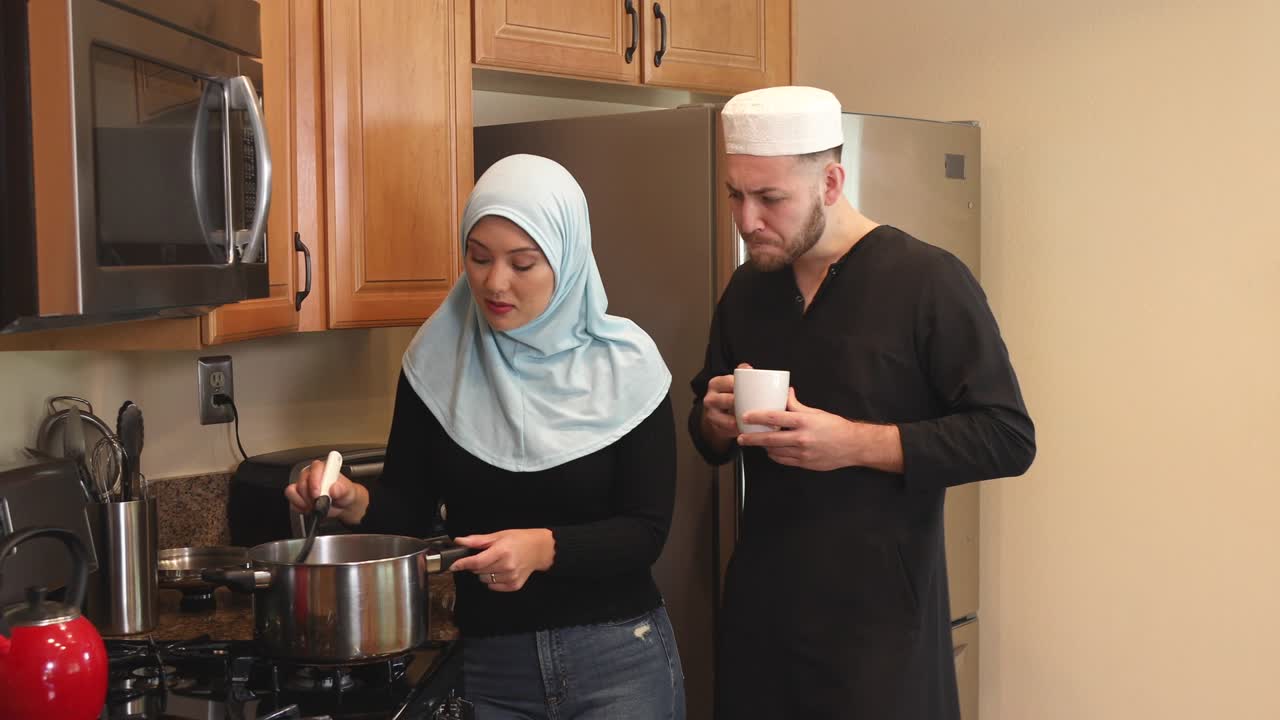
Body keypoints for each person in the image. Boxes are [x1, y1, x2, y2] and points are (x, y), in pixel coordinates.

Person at [288, 154, 685, 720]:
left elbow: (645, 531)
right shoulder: (436, 360)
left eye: (523, 264)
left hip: (618, 661)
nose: (495, 282)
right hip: (492, 668)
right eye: (478, 258)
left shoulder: (629, 366)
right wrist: (355, 501)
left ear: (567, 262)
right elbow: (410, 510)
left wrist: (544, 549)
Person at [689, 86, 1036, 719]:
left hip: (881, 631)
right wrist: (712, 421)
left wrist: (854, 443)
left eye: (771, 199)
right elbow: (707, 430)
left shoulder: (927, 280)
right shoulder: (749, 286)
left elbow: (1007, 435)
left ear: (830, 181)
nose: (747, 221)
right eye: (735, 195)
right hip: (762, 617)